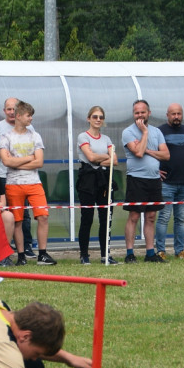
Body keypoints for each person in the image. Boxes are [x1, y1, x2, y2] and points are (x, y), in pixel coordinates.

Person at [0, 100, 56, 266]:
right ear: (18, 116)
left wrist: (16, 160)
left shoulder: (35, 136)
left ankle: (43, 255)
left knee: (43, 216)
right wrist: (28, 158)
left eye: (31, 115)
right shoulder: (6, 137)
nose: (31, 118)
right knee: (17, 221)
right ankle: (21, 256)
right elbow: (6, 162)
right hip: (13, 184)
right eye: (28, 115)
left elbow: (39, 162)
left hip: (34, 182)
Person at [122, 99, 169, 263]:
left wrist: (148, 148)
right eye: (136, 113)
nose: (139, 115)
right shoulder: (128, 132)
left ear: (149, 113)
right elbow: (138, 153)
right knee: (134, 216)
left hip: (154, 180)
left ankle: (150, 253)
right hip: (136, 179)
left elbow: (166, 155)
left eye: (142, 112)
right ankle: (130, 253)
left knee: (150, 216)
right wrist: (145, 133)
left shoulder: (157, 132)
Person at [155, 103, 184, 260]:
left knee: (180, 219)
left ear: (182, 115)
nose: (176, 117)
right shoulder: (160, 131)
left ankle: (179, 251)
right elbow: (152, 152)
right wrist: (155, 170)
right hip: (166, 183)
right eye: (173, 114)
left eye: (179, 114)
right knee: (163, 218)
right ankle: (160, 251)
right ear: (167, 115)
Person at [76, 105, 118, 265]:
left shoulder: (106, 139)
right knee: (87, 218)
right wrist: (105, 156)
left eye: (101, 117)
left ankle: (105, 254)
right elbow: (90, 157)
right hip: (87, 180)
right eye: (95, 117)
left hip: (105, 180)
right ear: (89, 118)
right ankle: (84, 254)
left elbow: (115, 161)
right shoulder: (83, 137)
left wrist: (99, 157)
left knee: (106, 218)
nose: (98, 120)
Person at [0, 97, 34, 257]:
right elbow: (2, 157)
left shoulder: (30, 128)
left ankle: (26, 246)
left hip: (23, 178)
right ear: (4, 111)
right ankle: (4, 248)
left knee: (23, 214)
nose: (11, 112)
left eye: (14, 109)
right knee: (5, 214)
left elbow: (34, 155)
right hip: (2, 176)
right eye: (8, 109)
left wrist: (16, 160)